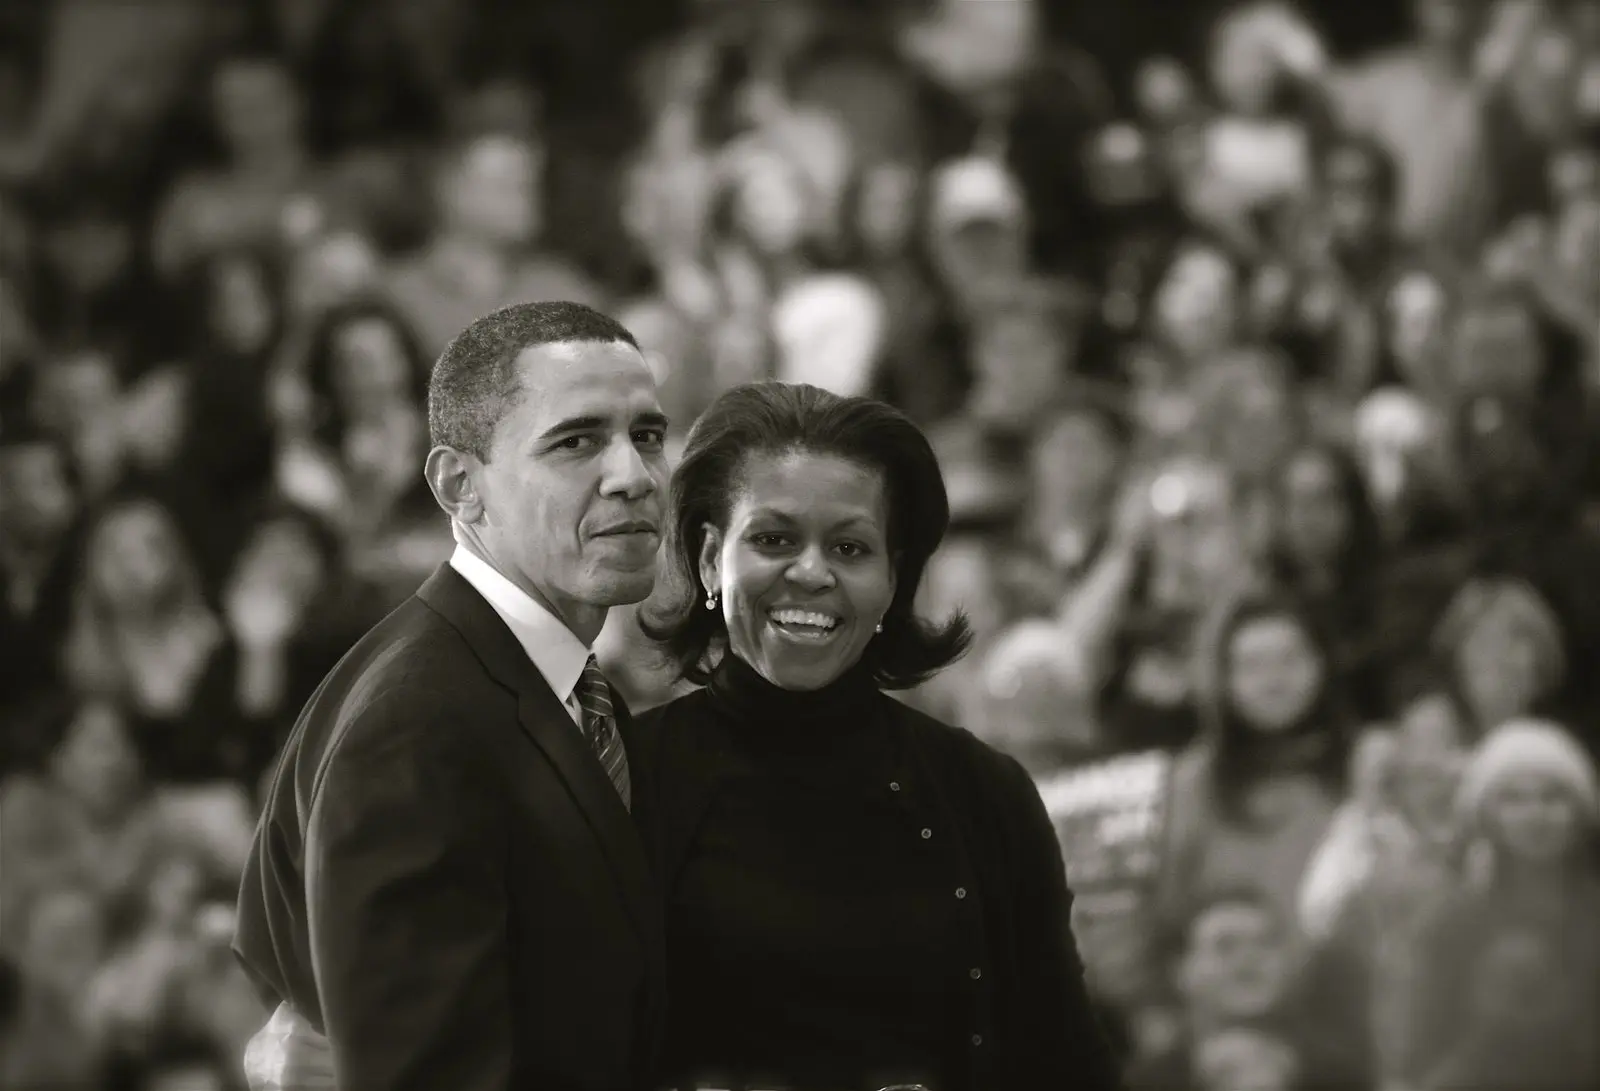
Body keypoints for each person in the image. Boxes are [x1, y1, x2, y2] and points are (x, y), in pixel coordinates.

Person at [232, 301, 672, 1091]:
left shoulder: (553, 681)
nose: (633, 476)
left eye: (646, 435)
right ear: (460, 486)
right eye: (577, 440)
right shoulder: (414, 723)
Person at [629, 381, 1119, 1090]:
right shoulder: (626, 781)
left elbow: (1065, 1058)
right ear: (710, 559)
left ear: (893, 578)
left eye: (851, 546)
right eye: (773, 538)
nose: (811, 571)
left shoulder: (982, 792)